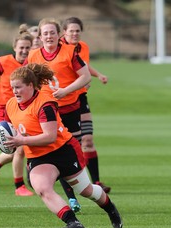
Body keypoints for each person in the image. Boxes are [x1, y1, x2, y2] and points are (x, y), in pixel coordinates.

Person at [3, 63, 122, 228]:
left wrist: (21, 140)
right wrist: (7, 140)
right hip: (39, 156)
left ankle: (110, 209)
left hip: (63, 151)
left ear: (30, 85)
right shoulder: (11, 105)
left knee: (86, 191)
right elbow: (10, 128)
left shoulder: (45, 104)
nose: (14, 91)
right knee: (42, 188)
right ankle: (74, 223)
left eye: (18, 87)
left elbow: (49, 137)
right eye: (12, 87)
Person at [26, 18, 92, 213]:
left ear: (58, 35)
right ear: (39, 36)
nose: (49, 36)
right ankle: (70, 197)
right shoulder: (33, 56)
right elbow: (31, 84)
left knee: (73, 150)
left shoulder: (70, 52)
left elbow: (86, 76)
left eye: (52, 33)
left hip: (70, 109)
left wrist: (66, 91)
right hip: (48, 111)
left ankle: (84, 186)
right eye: (45, 33)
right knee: (53, 149)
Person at [61, 16, 111, 193]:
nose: (75, 34)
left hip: (80, 98)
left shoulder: (83, 47)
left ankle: (96, 182)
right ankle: (67, 184)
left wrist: (97, 75)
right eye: (71, 31)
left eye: (77, 31)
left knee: (87, 140)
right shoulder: (58, 49)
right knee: (67, 143)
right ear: (64, 32)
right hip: (62, 101)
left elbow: (83, 67)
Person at [0, 25, 34, 196]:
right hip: (5, 109)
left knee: (14, 150)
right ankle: (19, 186)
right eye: (21, 48)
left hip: (25, 108)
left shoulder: (32, 64)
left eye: (27, 48)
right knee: (18, 147)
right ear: (15, 47)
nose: (24, 51)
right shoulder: (3, 62)